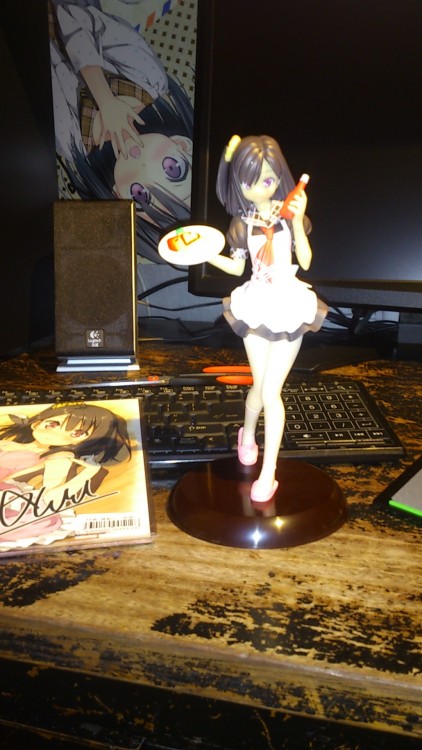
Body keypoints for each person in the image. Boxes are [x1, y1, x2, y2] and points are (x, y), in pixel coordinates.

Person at [209, 135, 328, 503]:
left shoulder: (290, 214)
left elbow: (306, 261)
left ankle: (269, 471)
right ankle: (247, 434)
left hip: (288, 305)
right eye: (249, 181)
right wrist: (205, 253)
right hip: (256, 303)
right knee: (260, 387)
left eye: (267, 179)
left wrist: (297, 223)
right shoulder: (241, 222)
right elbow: (237, 267)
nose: (259, 188)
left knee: (272, 392)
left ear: (279, 176)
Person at [49, 0, 193, 262]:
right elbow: (74, 14)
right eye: (173, 169)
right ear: (183, 145)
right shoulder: (149, 78)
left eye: (140, 195)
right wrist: (105, 100)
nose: (143, 167)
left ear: (118, 194)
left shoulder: (72, 141)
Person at [0, 402, 131, 544]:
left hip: (10, 506)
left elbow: (51, 499)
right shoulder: (7, 444)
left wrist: (90, 471)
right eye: (53, 424)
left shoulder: (59, 458)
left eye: (77, 433)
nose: (57, 434)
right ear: (36, 424)